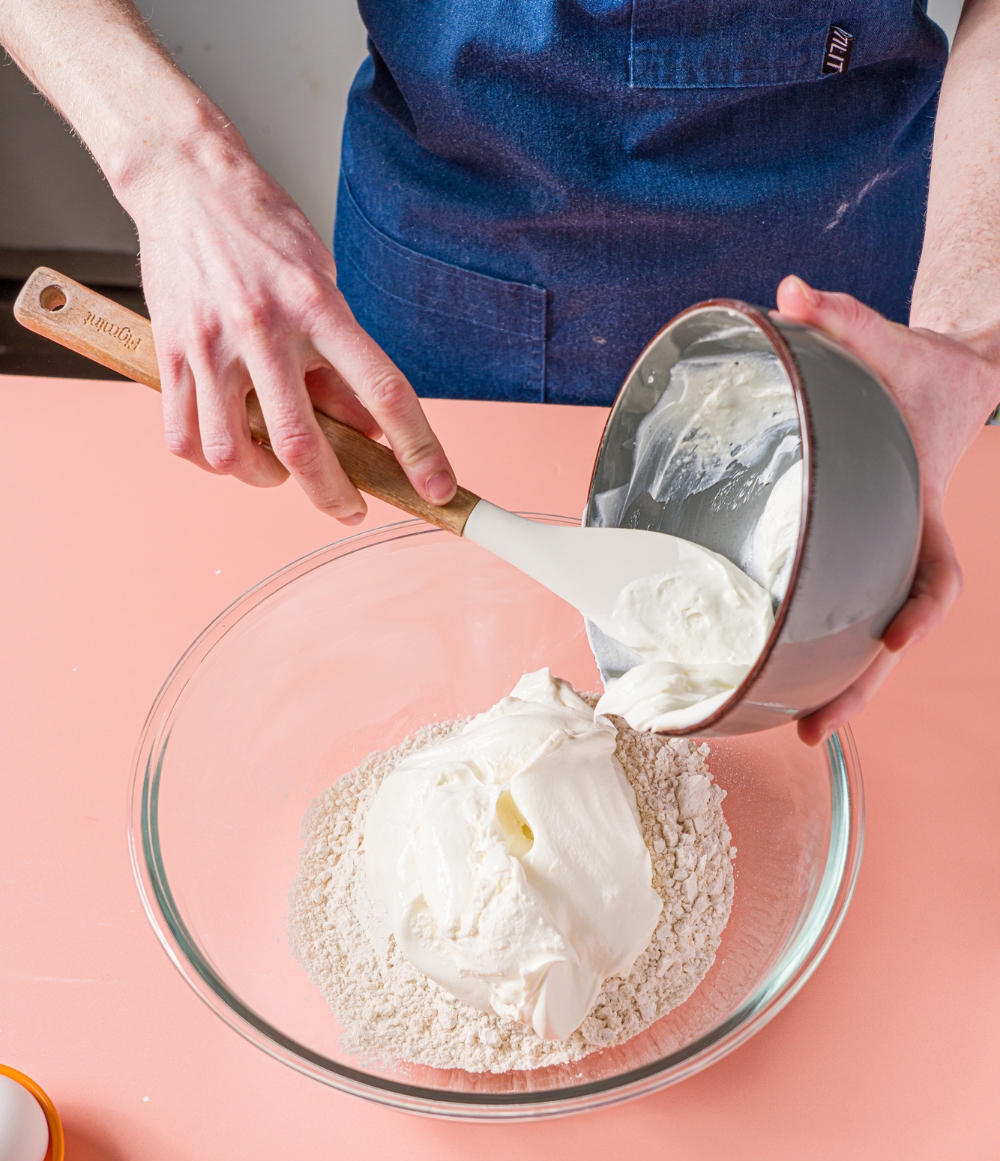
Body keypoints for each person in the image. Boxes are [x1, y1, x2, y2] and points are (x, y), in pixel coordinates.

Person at [2, 0, 998, 744]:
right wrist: (173, 162)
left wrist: (968, 337)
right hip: (457, 281)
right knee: (434, 667)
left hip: (857, 299)